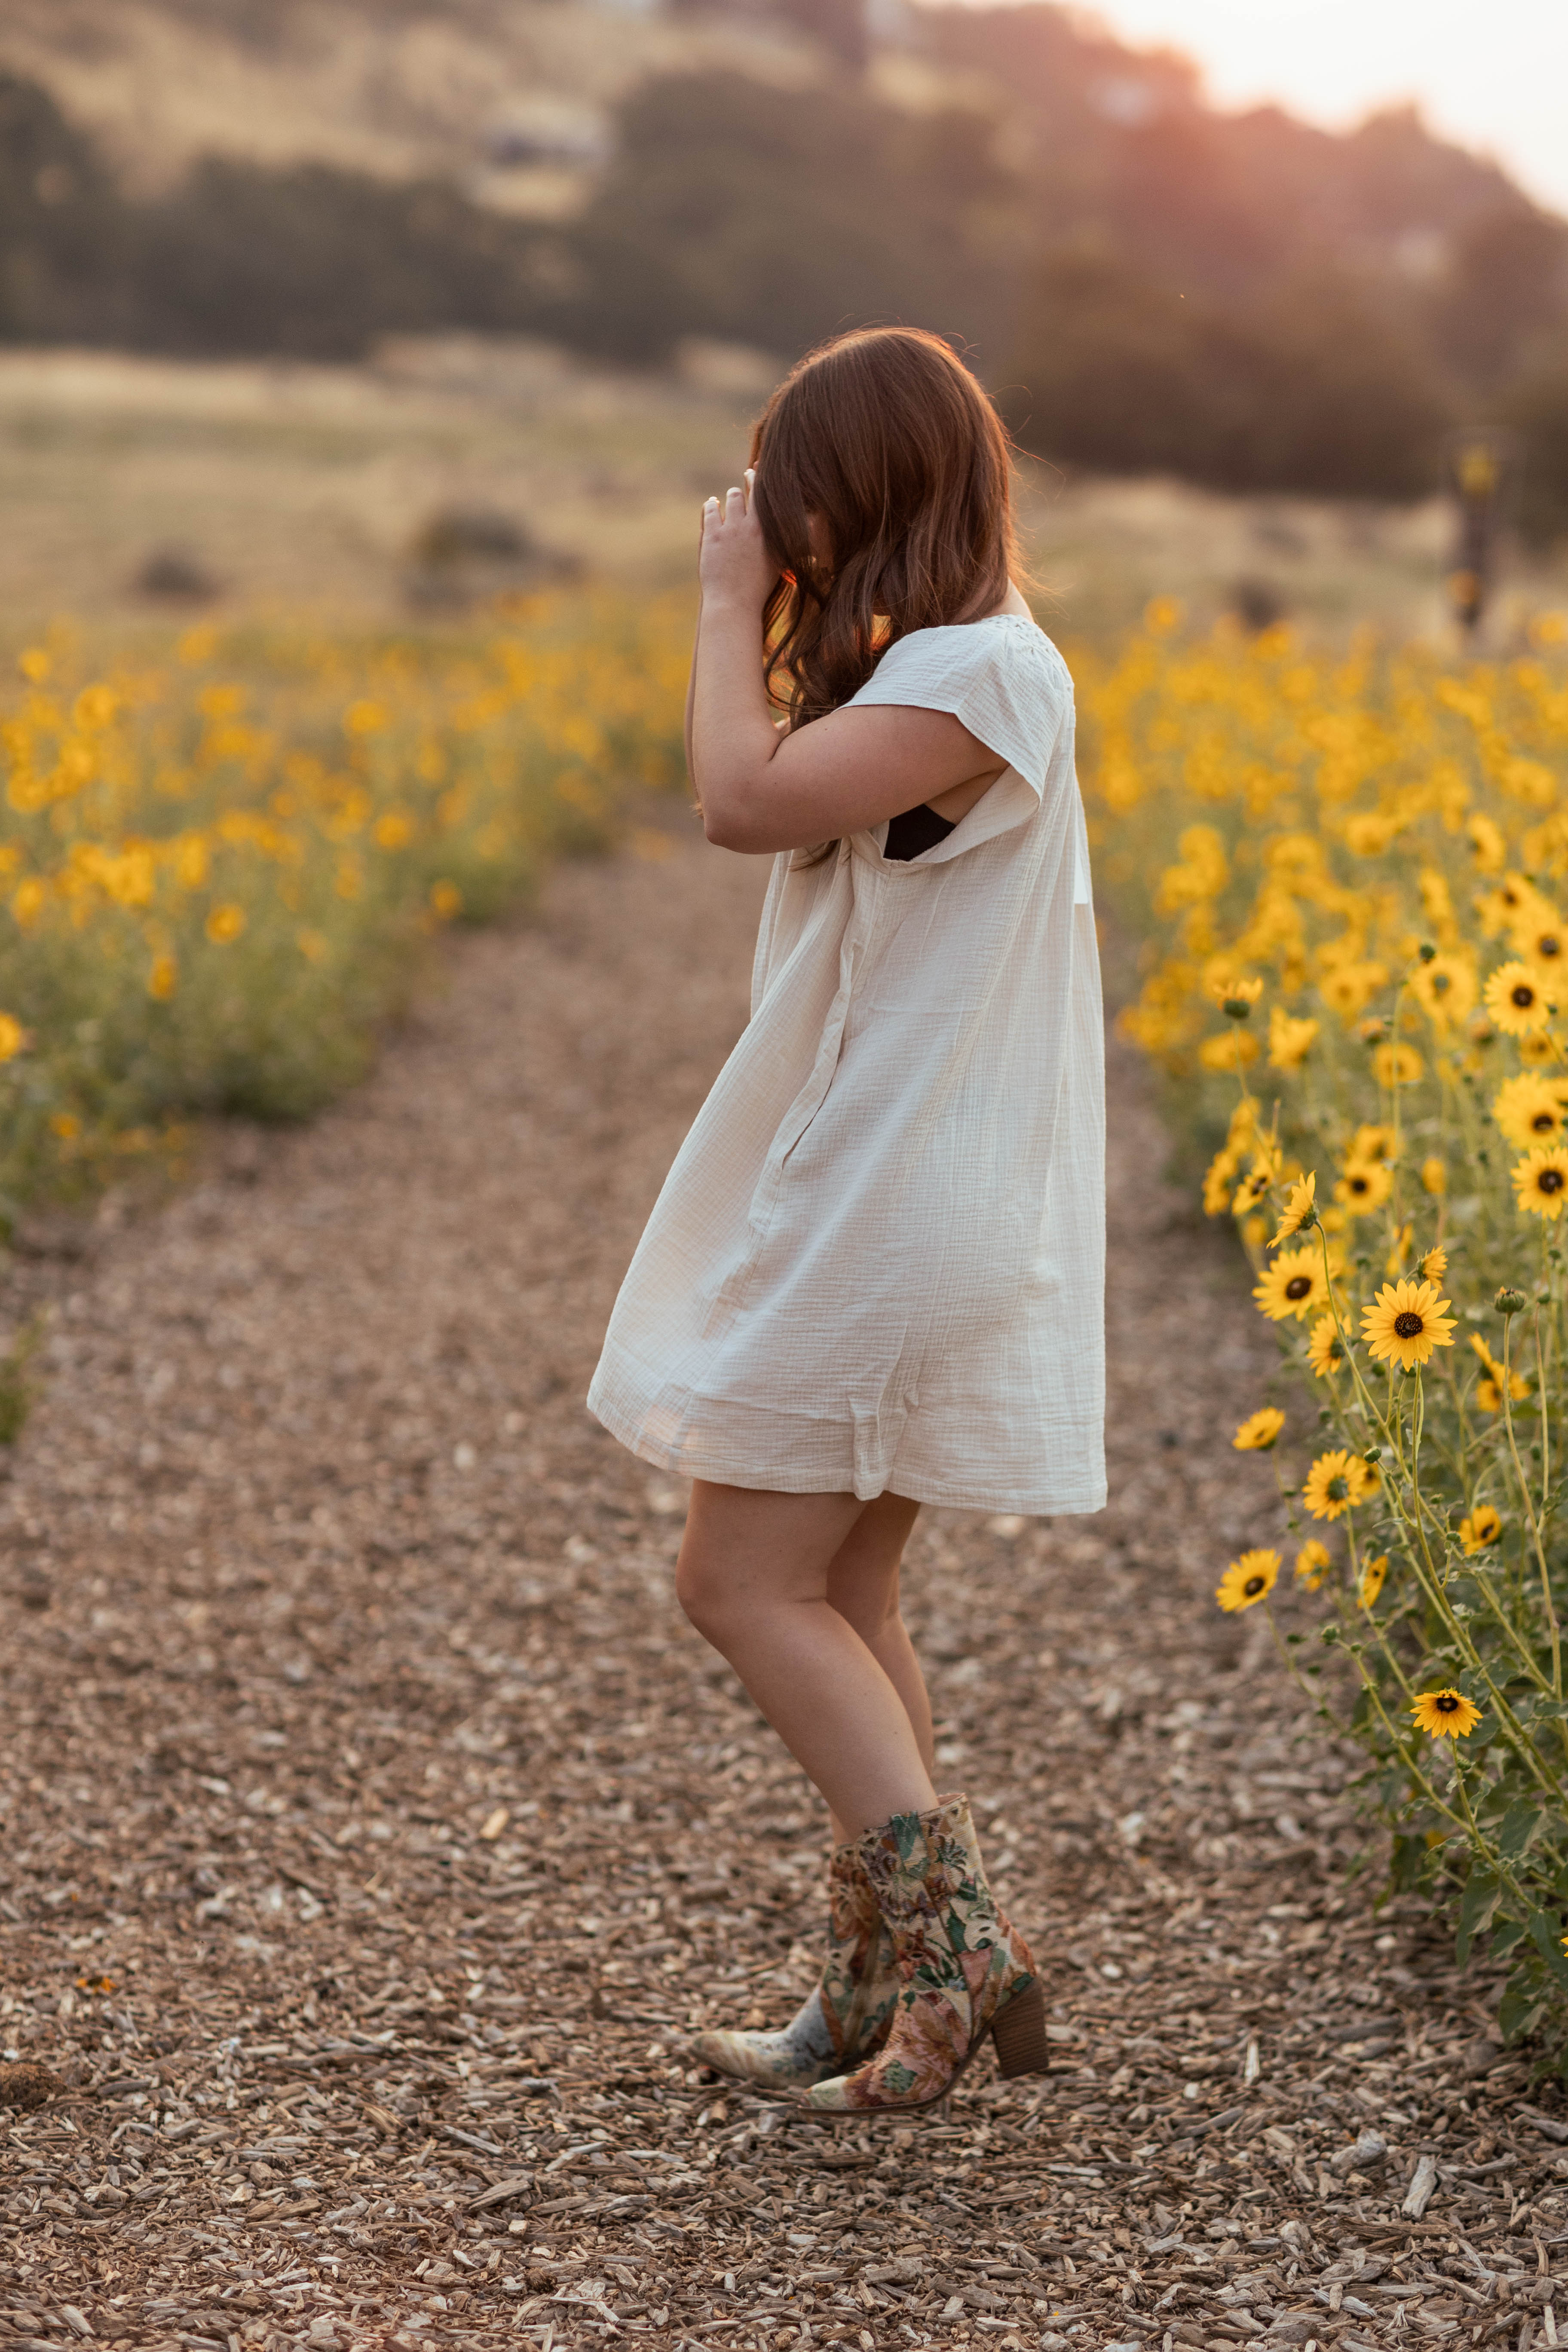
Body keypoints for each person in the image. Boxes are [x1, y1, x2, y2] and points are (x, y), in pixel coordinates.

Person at [588, 328, 1106, 2113]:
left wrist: (727, 598)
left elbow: (737, 800)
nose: (770, 516)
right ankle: (883, 1979)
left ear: (865, 480)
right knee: (844, 1582)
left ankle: (958, 1963)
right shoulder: (960, 668)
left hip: (898, 1203)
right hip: (907, 1192)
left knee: (733, 1579)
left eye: (790, 482)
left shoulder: (982, 677)